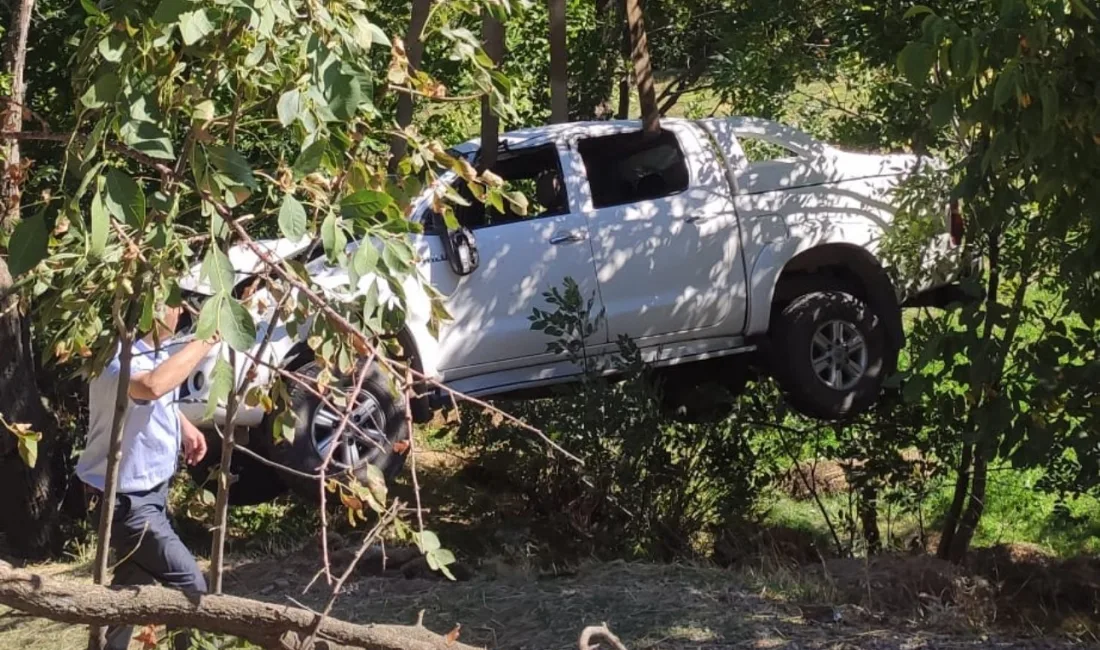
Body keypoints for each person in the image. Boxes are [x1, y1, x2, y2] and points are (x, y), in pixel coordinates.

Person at [76, 301, 215, 650]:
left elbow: (155, 392)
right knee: (191, 589)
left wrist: (183, 426)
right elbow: (150, 386)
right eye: (170, 306)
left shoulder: (150, 353)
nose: (178, 314)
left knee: (131, 590)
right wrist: (206, 339)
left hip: (148, 495)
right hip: (126, 505)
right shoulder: (116, 361)